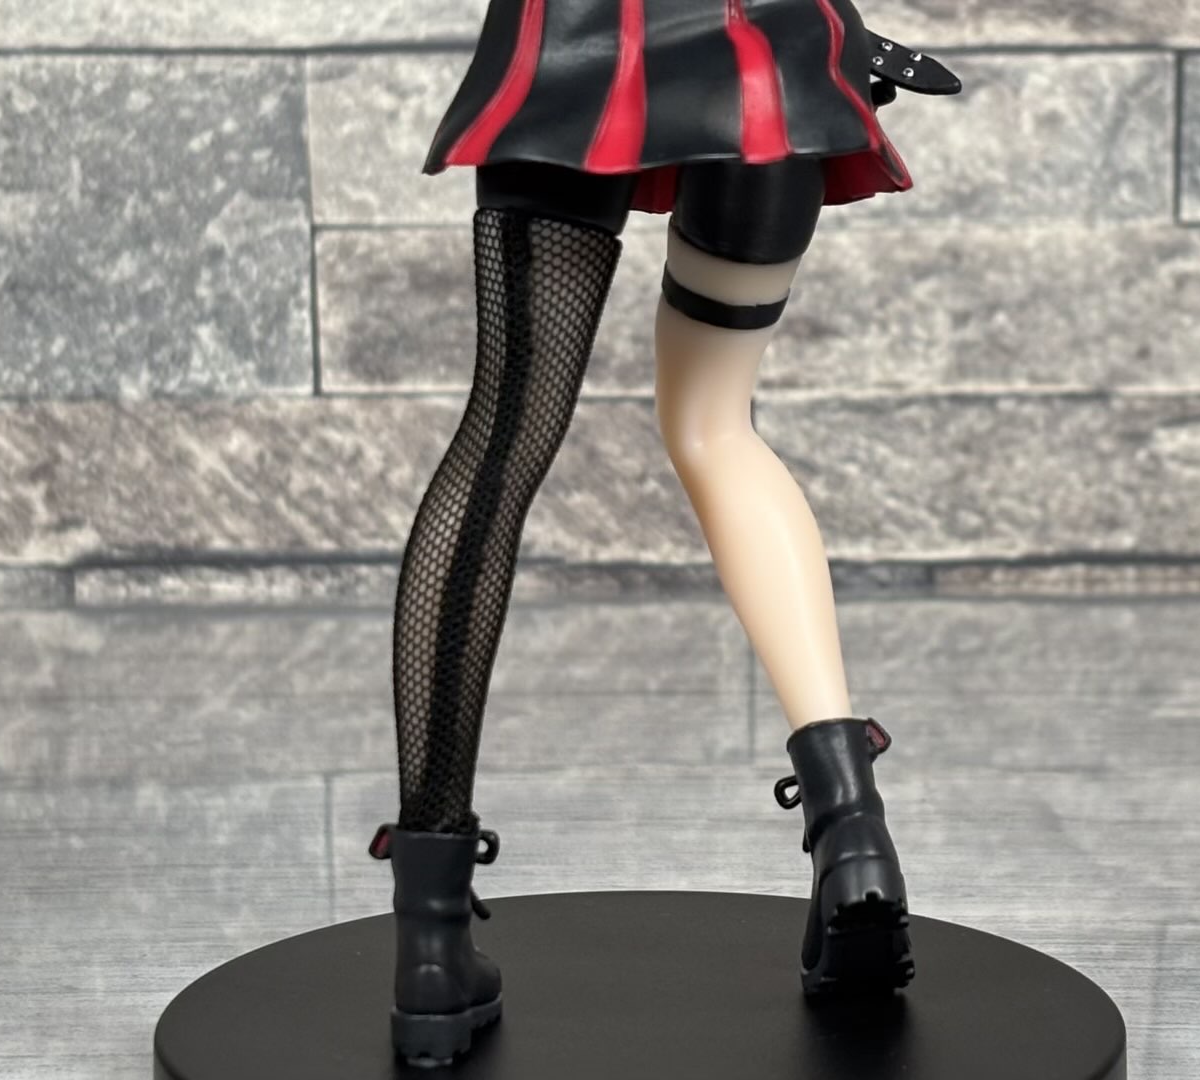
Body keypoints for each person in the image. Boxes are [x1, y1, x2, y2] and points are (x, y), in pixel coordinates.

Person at [362, 0, 960, 1065]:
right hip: (763, 54)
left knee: (502, 440)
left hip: (572, 50)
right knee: (718, 427)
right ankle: (852, 835)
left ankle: (432, 942)